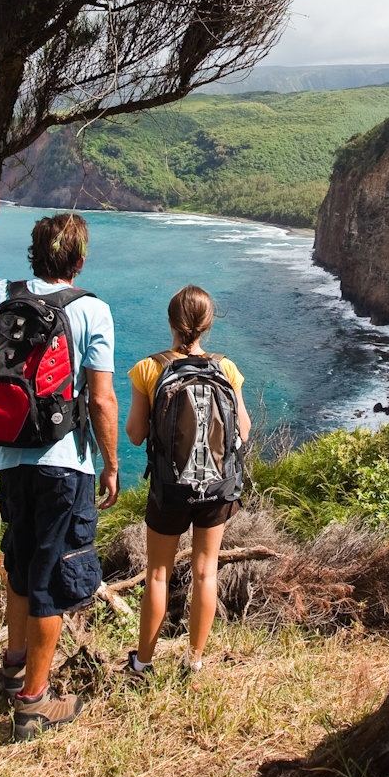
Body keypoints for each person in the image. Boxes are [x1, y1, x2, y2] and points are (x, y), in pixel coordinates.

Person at [0, 185, 119, 740]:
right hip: (63, 463)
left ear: (34, 255)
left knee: (21, 561)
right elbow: (101, 398)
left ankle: (12, 665)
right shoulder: (91, 309)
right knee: (52, 574)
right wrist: (111, 462)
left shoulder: (1, 296)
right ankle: (34, 700)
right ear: (79, 260)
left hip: (9, 457)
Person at [122, 285, 250, 680]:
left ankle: (142, 662)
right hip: (215, 488)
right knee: (205, 571)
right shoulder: (226, 368)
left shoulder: (148, 368)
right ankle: (194, 661)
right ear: (208, 325)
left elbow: (135, 433)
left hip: (169, 490)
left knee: (157, 573)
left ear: (171, 321)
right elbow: (243, 429)